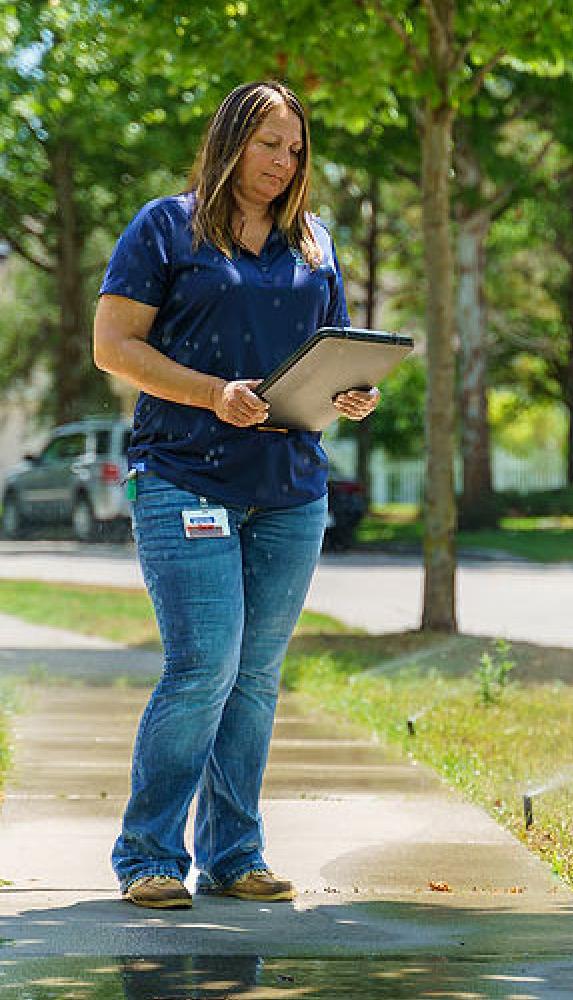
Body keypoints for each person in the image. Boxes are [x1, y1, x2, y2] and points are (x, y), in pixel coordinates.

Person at [93, 80, 379, 910]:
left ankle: (233, 851)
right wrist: (213, 392)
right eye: (268, 145)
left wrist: (351, 390)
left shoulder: (315, 242)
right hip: (184, 473)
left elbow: (333, 349)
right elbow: (114, 346)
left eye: (295, 151)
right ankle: (147, 853)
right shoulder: (165, 227)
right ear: (229, 143)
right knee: (203, 665)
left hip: (290, 491)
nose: (283, 164)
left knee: (255, 676)